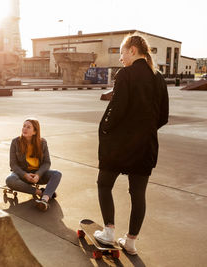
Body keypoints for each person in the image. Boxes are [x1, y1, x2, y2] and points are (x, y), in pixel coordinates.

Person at [93, 34, 169, 255]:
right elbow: (163, 116)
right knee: (138, 194)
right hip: (145, 146)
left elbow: (117, 110)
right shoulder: (158, 77)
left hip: (119, 145)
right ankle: (131, 242)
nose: (121, 59)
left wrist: (106, 129)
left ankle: (108, 232)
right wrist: (144, 130)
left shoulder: (125, 74)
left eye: (122, 53)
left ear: (133, 50)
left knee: (104, 184)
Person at [6, 118, 62, 211]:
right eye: (24, 126)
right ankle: (41, 193)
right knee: (9, 180)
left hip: (37, 175)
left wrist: (38, 175)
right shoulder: (15, 142)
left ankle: (44, 201)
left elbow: (47, 162)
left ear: (35, 131)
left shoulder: (42, 143)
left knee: (57, 174)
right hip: (22, 175)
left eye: (28, 127)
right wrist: (25, 175)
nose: (24, 129)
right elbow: (13, 164)